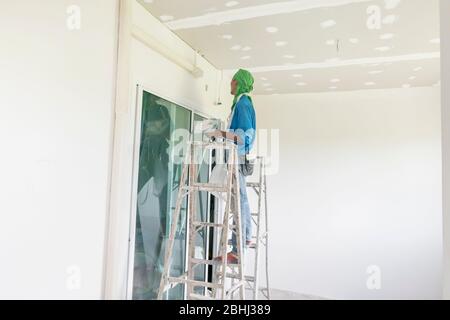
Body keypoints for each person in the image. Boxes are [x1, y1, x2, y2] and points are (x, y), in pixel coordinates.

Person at [208, 69, 256, 264]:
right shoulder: (241, 103)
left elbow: (245, 136)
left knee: (239, 201)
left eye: (233, 81)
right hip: (238, 156)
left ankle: (238, 249)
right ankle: (243, 240)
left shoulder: (243, 103)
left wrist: (221, 134)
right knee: (240, 199)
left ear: (239, 83)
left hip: (239, 157)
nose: (230, 84)